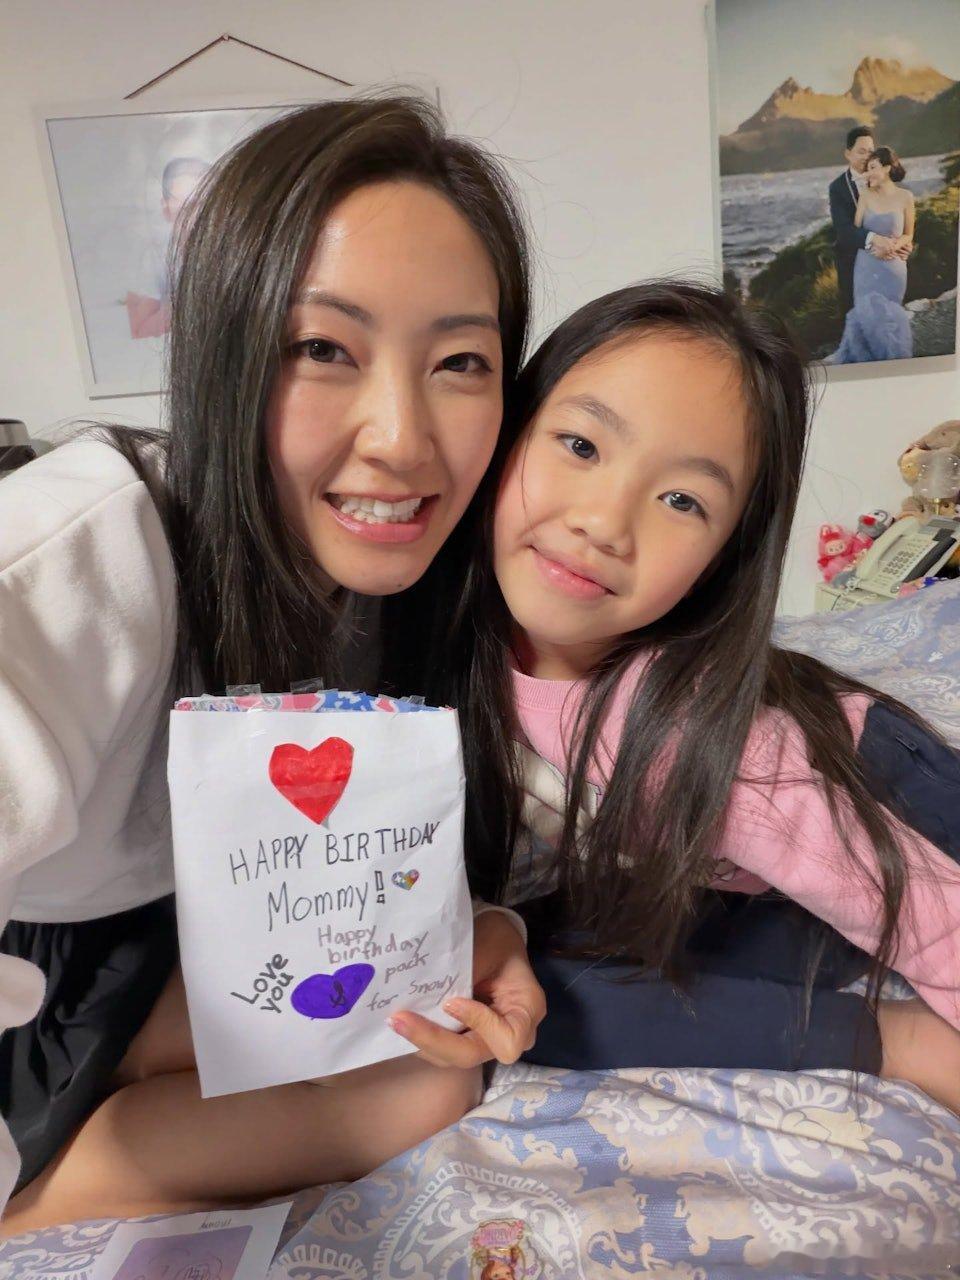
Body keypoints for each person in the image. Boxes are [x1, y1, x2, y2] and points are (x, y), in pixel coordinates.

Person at [0, 95, 547, 1232]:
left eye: (461, 361)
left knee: (432, 1075)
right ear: (225, 350)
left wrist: (483, 928)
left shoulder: (425, 582)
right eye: (322, 349)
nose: (403, 439)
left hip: (166, 953)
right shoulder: (79, 556)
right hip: (38, 994)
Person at [445, 280, 960, 1105]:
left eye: (682, 500)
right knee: (508, 981)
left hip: (891, 796)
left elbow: (924, 908)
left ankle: (903, 1044)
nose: (604, 523)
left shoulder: (676, 733)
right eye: (580, 445)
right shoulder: (446, 628)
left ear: (722, 558)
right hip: (735, 875)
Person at [832, 146, 915, 364]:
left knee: (889, 316)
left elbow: (908, 234)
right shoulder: (866, 196)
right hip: (866, 267)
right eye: (867, 169)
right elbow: (855, 231)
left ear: (887, 168)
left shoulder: (906, 197)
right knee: (865, 313)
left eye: (873, 168)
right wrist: (873, 246)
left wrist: (893, 247)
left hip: (893, 268)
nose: (868, 174)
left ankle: (894, 363)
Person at [124, 156, 210, 340]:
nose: (196, 217)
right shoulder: (150, 262)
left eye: (205, 206)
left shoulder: (233, 254)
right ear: (166, 208)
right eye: (186, 207)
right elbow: (138, 329)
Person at [827, 126, 906, 319]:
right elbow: (844, 231)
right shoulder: (837, 188)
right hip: (853, 262)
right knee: (859, 318)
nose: (867, 156)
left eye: (870, 151)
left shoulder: (883, 179)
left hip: (887, 260)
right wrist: (875, 240)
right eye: (861, 151)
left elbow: (899, 216)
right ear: (848, 154)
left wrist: (903, 244)